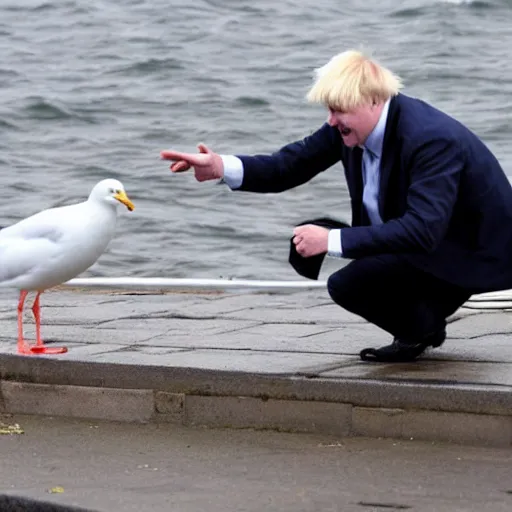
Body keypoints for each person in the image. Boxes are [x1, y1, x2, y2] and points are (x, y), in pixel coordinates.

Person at [160, 49, 512, 363]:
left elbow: (423, 230)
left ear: (374, 100)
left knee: (347, 282)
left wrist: (329, 241)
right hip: (424, 239)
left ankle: (423, 327)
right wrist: (219, 167)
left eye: (339, 110)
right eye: (329, 109)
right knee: (329, 239)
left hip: (468, 252)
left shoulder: (430, 139)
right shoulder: (347, 127)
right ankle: (423, 322)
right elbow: (289, 165)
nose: (331, 120)